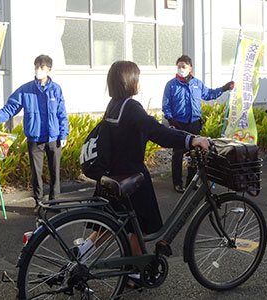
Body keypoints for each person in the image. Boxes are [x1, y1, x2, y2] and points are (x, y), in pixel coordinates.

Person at [73, 61, 210, 288]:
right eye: (137, 77)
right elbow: (156, 131)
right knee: (142, 226)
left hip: (111, 176)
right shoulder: (131, 107)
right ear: (128, 81)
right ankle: (135, 274)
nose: (139, 82)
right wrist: (190, 139)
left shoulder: (114, 105)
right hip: (132, 178)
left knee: (110, 224)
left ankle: (81, 253)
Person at [0, 54, 69, 203]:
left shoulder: (56, 89)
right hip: (35, 137)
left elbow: (61, 113)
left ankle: (55, 201)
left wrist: (63, 134)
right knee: (36, 173)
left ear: (49, 69)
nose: (38, 70)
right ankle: (39, 202)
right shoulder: (25, 90)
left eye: (42, 67)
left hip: (53, 137)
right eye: (36, 67)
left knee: (55, 172)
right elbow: (10, 108)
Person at [162, 55, 234, 193]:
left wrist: (224, 88)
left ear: (190, 68)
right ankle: (177, 183)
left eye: (183, 66)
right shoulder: (171, 85)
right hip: (178, 124)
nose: (181, 69)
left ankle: (191, 182)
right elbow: (166, 104)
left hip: (194, 123)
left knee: (194, 154)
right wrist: (170, 119)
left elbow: (209, 94)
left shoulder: (197, 84)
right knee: (178, 154)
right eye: (179, 66)